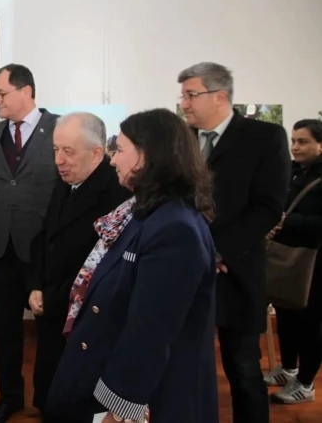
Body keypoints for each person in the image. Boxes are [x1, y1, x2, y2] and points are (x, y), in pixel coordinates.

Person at [44, 108, 219, 423]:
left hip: (145, 395)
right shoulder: (142, 211)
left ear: (147, 157)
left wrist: (119, 409)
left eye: (120, 150)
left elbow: (150, 331)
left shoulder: (174, 228)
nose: (113, 159)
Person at [178, 62, 290, 423]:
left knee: (242, 369)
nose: (184, 103)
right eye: (182, 95)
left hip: (236, 270)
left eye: (191, 94)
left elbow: (268, 208)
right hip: (184, 271)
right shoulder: (182, 141)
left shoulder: (264, 138)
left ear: (220, 96)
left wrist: (217, 250)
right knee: (184, 366)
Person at [0, 64, 59, 423]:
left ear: (26, 91)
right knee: (5, 330)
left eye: (1, 94)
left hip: (45, 251)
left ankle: (47, 398)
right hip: (1, 249)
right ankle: (9, 397)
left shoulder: (58, 129)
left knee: (50, 332)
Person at [27, 112, 130, 415]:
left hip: (83, 317)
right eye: (56, 150)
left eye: (68, 151)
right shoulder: (66, 180)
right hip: (49, 305)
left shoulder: (118, 194)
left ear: (97, 153)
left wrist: (53, 294)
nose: (59, 159)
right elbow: (44, 237)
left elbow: (102, 266)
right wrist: (33, 285)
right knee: (51, 395)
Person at [264, 119, 322, 404]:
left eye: (303, 141)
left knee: (310, 323)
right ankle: (288, 368)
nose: (296, 147)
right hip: (287, 257)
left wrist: (288, 221)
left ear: (320, 145)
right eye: (294, 141)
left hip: (312, 260)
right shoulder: (295, 172)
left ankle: (306, 383)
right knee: (286, 313)